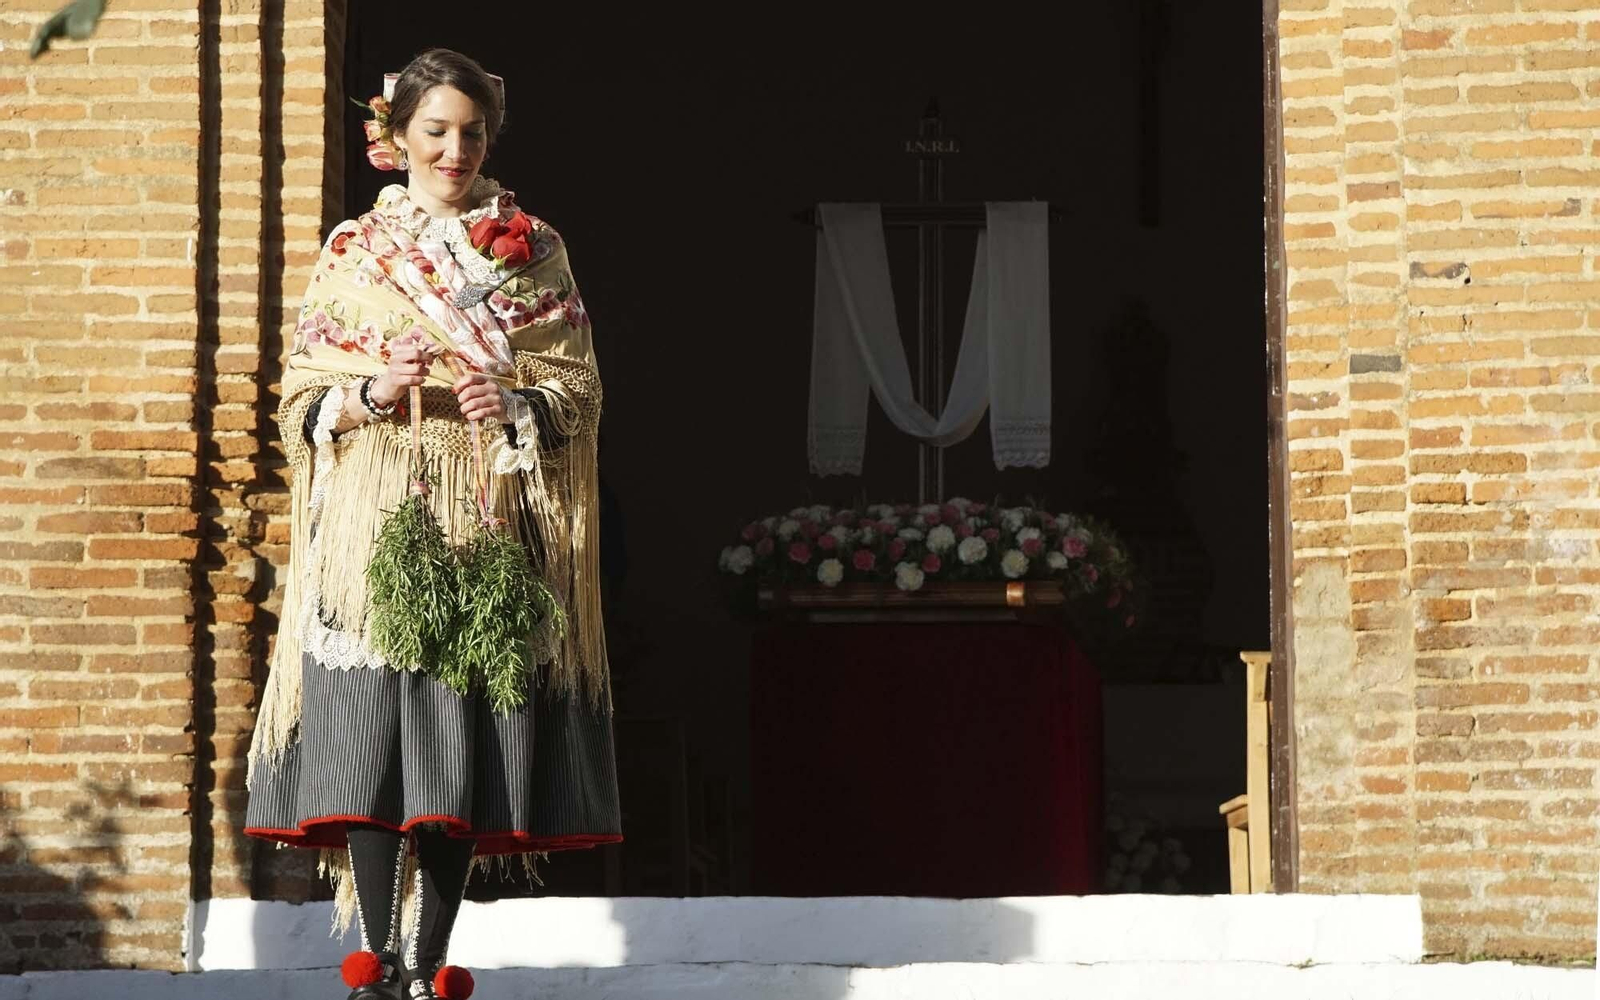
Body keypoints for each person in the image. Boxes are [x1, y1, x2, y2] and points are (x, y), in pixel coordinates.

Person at [242, 48, 621, 1000]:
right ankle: (374, 951)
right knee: (371, 733)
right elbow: (301, 394)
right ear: (397, 135)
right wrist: (371, 389)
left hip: (480, 510)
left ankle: (424, 962)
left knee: (454, 733)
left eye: (473, 132)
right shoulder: (354, 252)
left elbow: (578, 384)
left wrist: (519, 399)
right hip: (374, 510)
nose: (456, 150)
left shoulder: (534, 248)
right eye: (437, 131)